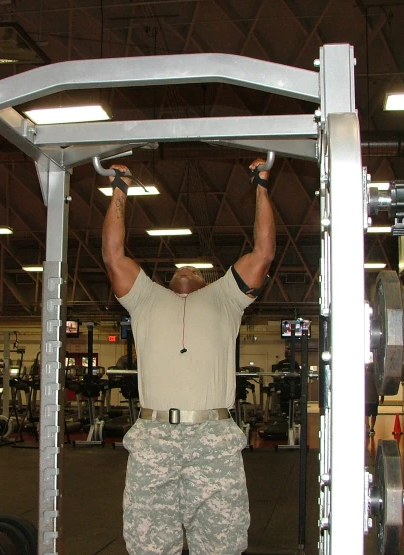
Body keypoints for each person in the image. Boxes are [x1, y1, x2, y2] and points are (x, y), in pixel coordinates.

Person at [102, 159, 275, 554]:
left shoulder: (226, 298)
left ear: (206, 280)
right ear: (168, 280)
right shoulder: (146, 298)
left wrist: (262, 185)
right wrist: (120, 189)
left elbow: (263, 253)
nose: (186, 267)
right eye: (180, 266)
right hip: (153, 439)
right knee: (147, 545)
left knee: (221, 545)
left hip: (212, 438)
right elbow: (113, 255)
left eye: (195, 267)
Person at [365, 367, 379, 436]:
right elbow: (379, 387)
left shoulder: (364, 376)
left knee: (366, 414)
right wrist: (382, 396)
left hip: (366, 398)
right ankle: (372, 428)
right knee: (374, 414)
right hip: (375, 398)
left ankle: (367, 426)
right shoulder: (377, 377)